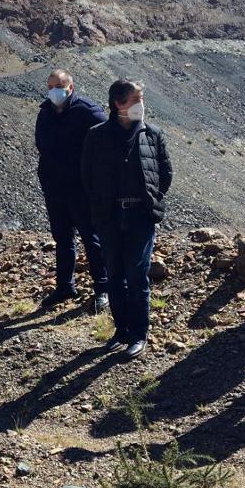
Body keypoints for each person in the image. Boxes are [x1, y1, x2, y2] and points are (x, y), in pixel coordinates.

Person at [81, 80, 172, 361]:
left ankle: (139, 334)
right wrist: (101, 206)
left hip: (140, 216)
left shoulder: (152, 134)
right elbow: (86, 176)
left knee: (137, 274)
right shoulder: (96, 136)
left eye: (141, 98)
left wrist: (149, 200)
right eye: (135, 99)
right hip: (109, 216)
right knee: (115, 274)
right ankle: (121, 331)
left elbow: (165, 175)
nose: (141, 105)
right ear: (118, 103)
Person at [35, 69, 109, 314]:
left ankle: (103, 289)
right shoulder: (45, 112)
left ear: (71, 86)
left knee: (92, 238)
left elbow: (108, 145)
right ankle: (65, 286)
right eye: (51, 86)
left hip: (82, 190)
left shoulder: (88, 112)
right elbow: (42, 147)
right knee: (63, 238)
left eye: (60, 85)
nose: (55, 90)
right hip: (55, 188)